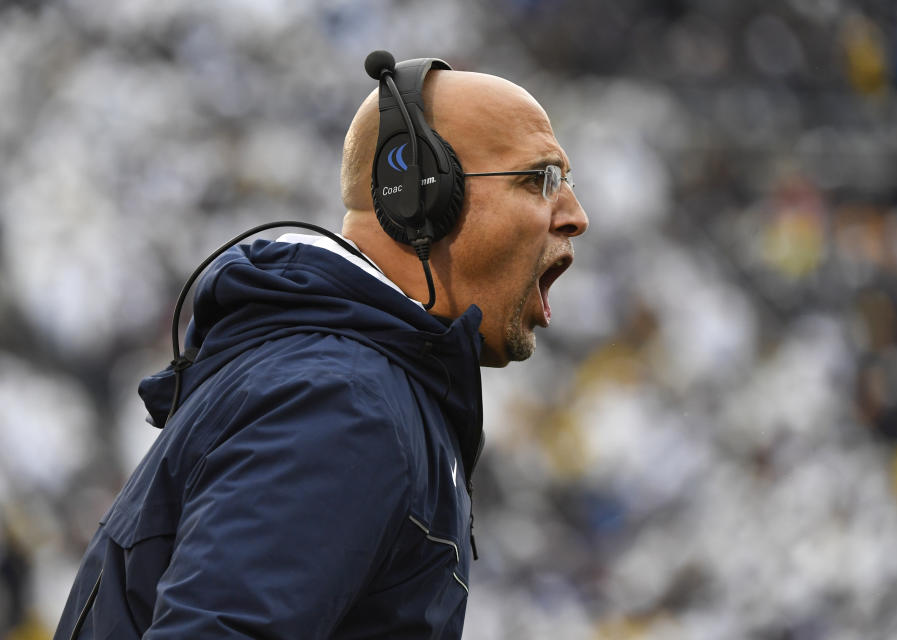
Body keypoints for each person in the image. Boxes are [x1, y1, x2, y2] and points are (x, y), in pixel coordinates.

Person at [54, 56, 588, 639]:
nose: (575, 217)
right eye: (541, 180)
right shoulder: (343, 401)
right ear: (419, 196)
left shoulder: (344, 382)